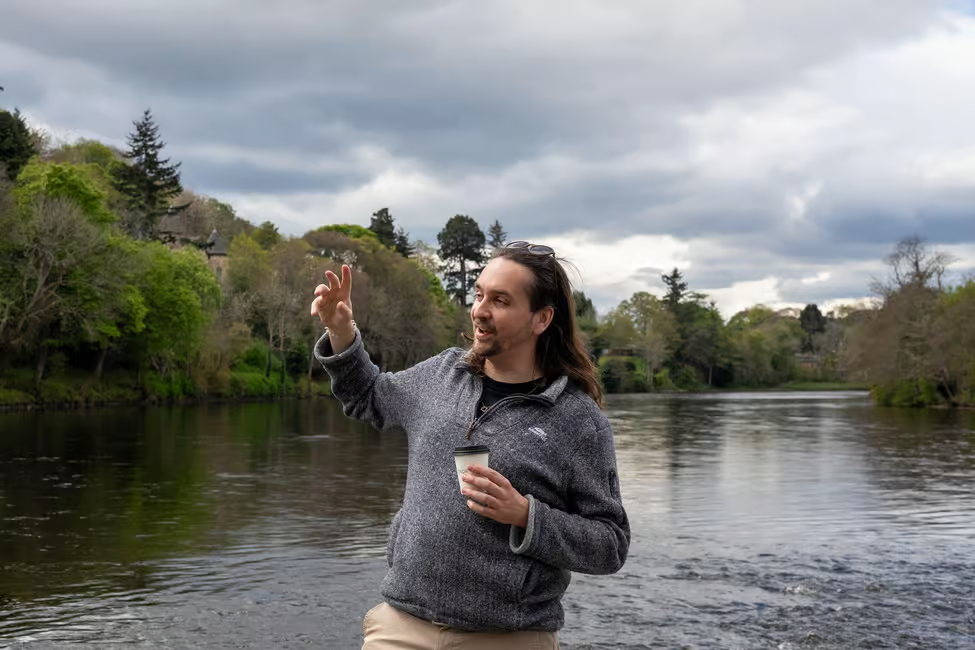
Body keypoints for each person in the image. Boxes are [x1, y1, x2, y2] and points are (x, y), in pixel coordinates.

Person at [310, 240, 629, 649]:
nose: (480, 309)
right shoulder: (442, 374)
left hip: (506, 637)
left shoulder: (578, 421)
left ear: (542, 318)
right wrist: (340, 331)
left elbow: (610, 545)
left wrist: (526, 515)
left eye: (500, 300)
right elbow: (368, 395)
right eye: (479, 295)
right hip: (402, 626)